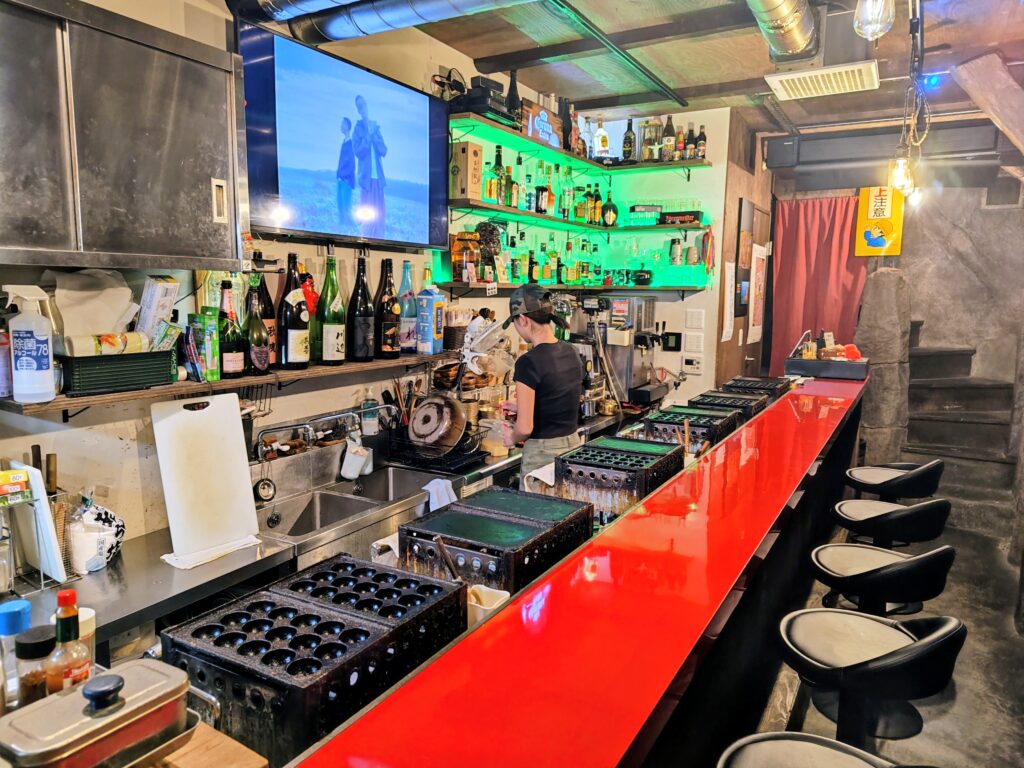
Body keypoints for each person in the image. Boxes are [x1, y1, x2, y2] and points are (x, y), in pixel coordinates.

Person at [501, 286, 583, 488]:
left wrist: (511, 437)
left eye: (514, 323)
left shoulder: (528, 362)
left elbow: (524, 428)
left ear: (523, 319)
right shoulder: (571, 351)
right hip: (572, 449)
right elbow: (558, 400)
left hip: (542, 456)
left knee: (538, 508)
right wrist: (521, 407)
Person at [352, 94, 387, 240]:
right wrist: (368, 136)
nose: (363, 108)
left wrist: (374, 136)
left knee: (379, 219)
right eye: (360, 106)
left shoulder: (376, 127)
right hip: (366, 181)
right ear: (358, 110)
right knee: (367, 220)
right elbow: (358, 152)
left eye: (364, 105)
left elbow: (384, 150)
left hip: (378, 181)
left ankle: (380, 243)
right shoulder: (357, 129)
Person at [336, 117, 355, 230]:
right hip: (340, 177)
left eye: (343, 124)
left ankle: (348, 227)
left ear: (348, 126)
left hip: (346, 179)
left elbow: (352, 163)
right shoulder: (344, 142)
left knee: (346, 204)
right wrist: (338, 175)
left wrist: (344, 176)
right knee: (340, 203)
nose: (341, 126)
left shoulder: (351, 143)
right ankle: (342, 226)